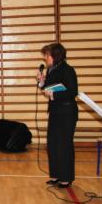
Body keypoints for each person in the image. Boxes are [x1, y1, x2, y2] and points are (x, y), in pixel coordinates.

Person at [37, 43, 78, 188]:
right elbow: (48, 88)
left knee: (64, 145)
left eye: (47, 55)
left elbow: (72, 92)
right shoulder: (51, 70)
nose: (45, 58)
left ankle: (66, 178)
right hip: (55, 112)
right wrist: (42, 83)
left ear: (55, 55)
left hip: (67, 113)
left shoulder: (68, 70)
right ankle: (56, 175)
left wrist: (54, 94)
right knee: (52, 144)